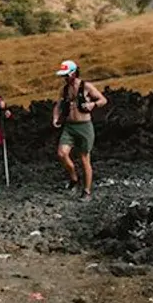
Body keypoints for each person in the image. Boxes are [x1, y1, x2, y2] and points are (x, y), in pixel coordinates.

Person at [51, 59, 107, 199]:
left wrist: (93, 105)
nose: (65, 78)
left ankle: (87, 191)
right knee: (62, 153)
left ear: (74, 73)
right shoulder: (64, 90)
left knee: (84, 159)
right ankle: (74, 178)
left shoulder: (86, 86)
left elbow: (103, 100)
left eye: (67, 75)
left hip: (84, 127)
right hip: (69, 127)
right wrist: (55, 118)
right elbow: (58, 105)